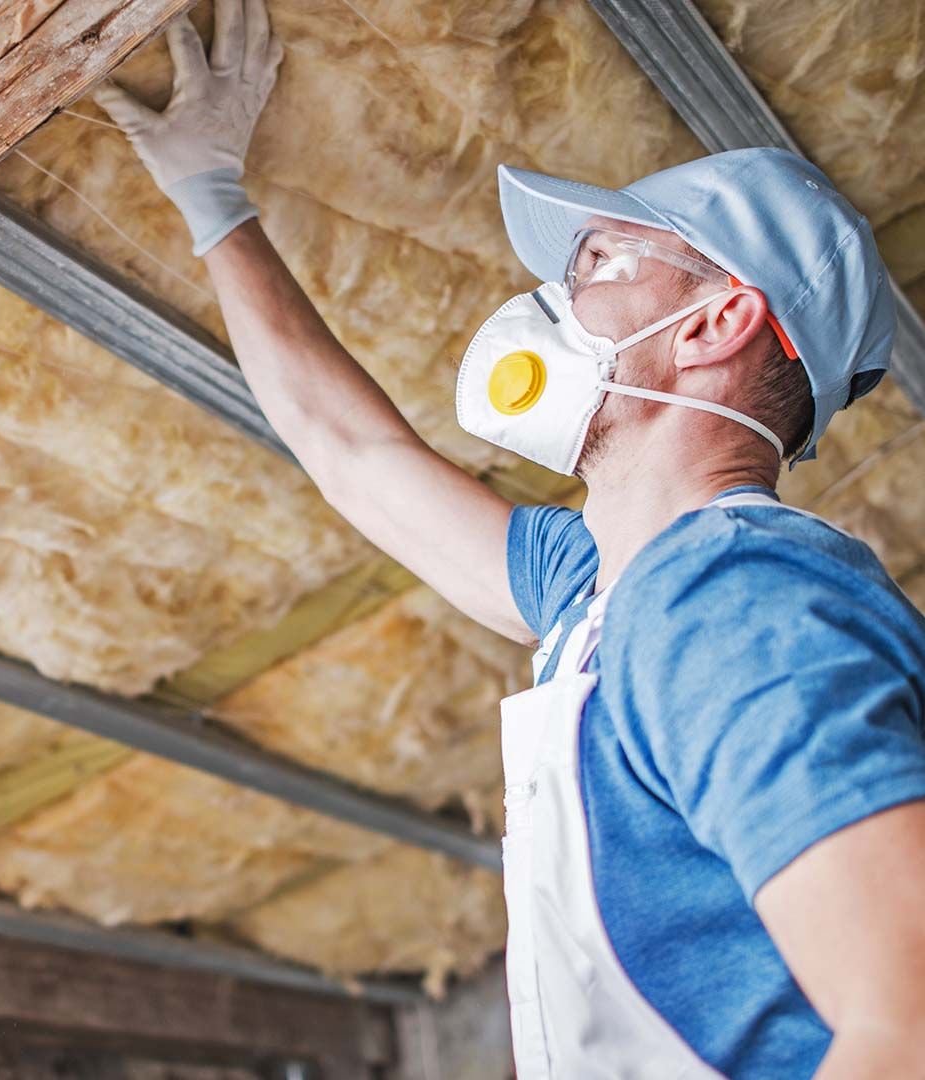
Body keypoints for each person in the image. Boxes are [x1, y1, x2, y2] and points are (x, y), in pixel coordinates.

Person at [96, 3, 925, 1077]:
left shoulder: (731, 603)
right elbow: (354, 455)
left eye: (600, 265)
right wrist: (212, 201)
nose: (551, 300)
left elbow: (904, 1021)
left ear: (719, 323)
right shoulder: (606, 598)